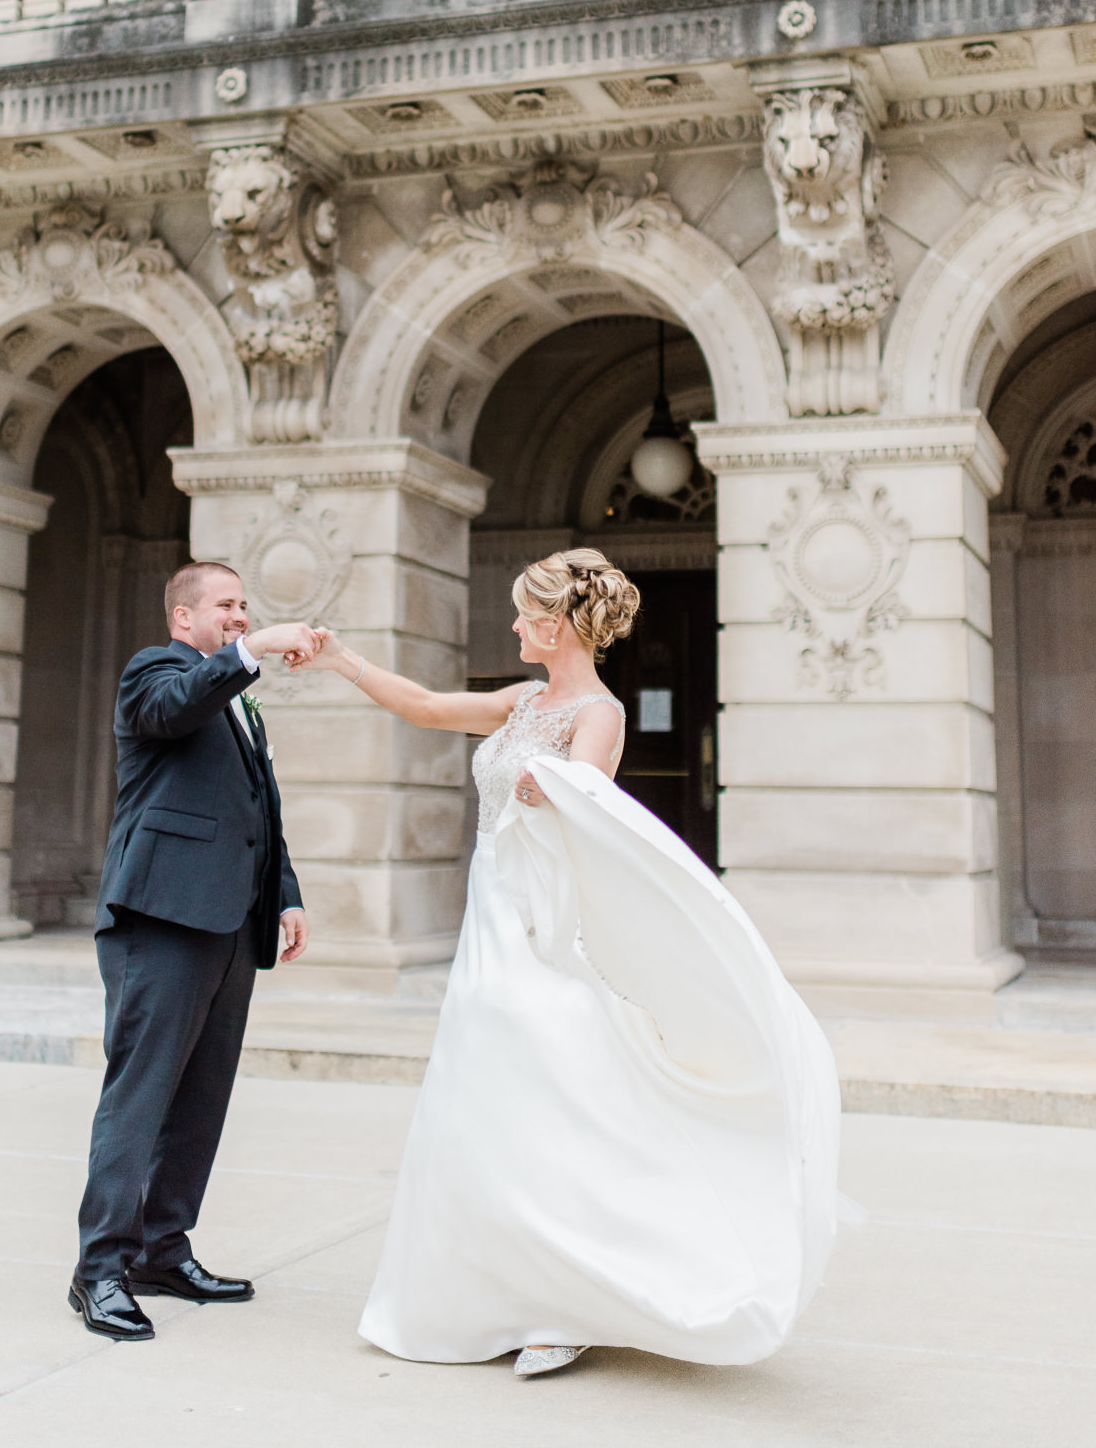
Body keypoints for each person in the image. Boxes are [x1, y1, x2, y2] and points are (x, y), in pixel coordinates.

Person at [290, 546, 841, 1378]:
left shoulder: (601, 714)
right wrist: (341, 660)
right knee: (481, 1096)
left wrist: (566, 790)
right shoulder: (521, 701)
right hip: (493, 916)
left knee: (555, 1083)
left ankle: (569, 1303)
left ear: (553, 624)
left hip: (547, 925)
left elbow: (595, 809)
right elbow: (431, 708)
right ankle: (489, 1292)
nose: (512, 625)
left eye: (521, 614)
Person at [69, 561, 317, 1342]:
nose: (239, 615)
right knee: (139, 1098)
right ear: (184, 618)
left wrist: (286, 892)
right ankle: (99, 1271)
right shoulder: (160, 673)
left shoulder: (240, 706)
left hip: (231, 925)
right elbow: (177, 708)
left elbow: (257, 811)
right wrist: (248, 654)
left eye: (245, 605)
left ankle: (162, 1250)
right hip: (162, 920)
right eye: (226, 605)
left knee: (201, 1102)